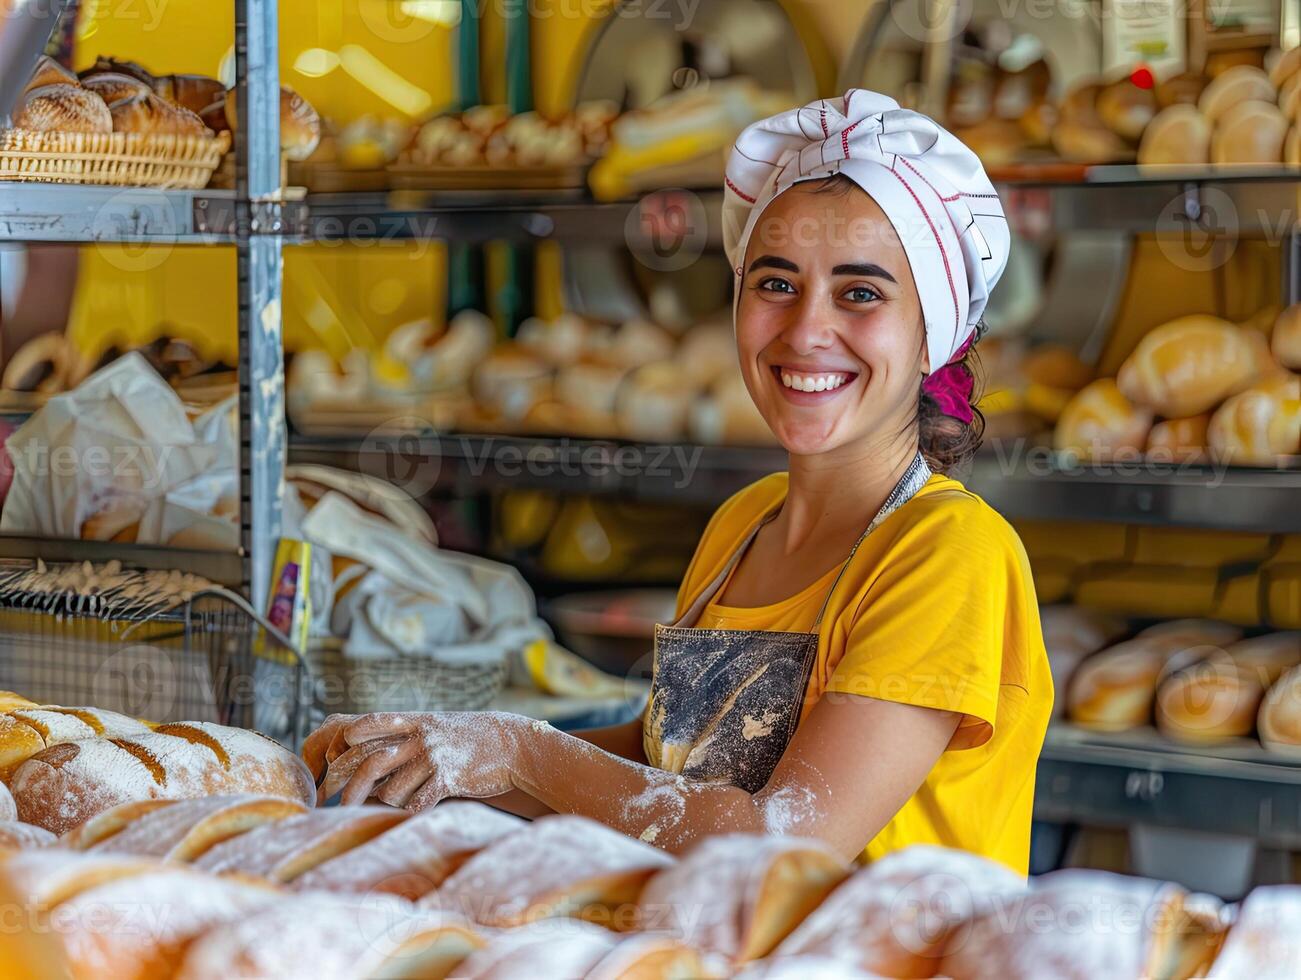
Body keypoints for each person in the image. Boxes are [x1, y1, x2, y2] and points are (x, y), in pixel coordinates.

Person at [303, 89, 1052, 873]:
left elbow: (782, 845)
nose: (805, 330)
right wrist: (437, 759)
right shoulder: (744, 522)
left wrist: (515, 750)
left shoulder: (949, 552)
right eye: (773, 283)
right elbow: (669, 771)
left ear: (935, 330)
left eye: (860, 293)